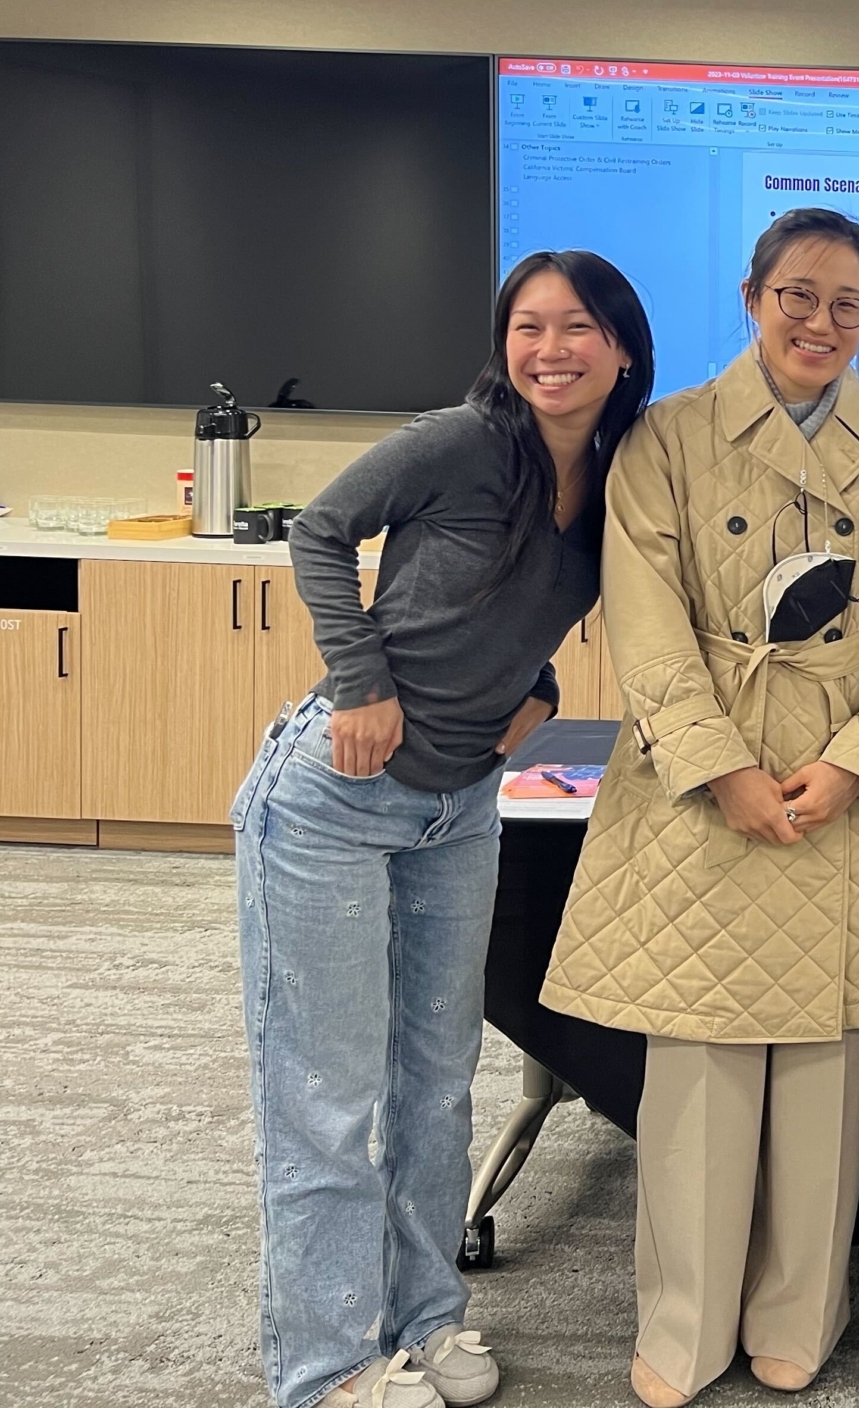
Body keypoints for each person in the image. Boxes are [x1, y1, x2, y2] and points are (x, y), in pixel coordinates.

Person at [542, 207, 859, 1408]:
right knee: (698, 1072)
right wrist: (718, 762)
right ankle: (681, 1327)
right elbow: (646, 618)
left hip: (844, 788)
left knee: (827, 1078)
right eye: (798, 294)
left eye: (846, 303)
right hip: (700, 781)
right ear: (750, 295)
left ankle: (800, 1314)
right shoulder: (669, 437)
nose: (819, 322)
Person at [233, 251, 654, 1408]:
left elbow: (521, 616)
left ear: (623, 347)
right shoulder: (461, 442)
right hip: (333, 798)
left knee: (436, 1081)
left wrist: (548, 695)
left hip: (463, 807)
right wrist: (359, 679)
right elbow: (319, 531)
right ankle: (324, 1370)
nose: (550, 349)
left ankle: (428, 1317)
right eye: (527, 325)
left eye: (576, 327)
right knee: (328, 1096)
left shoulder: (618, 478)